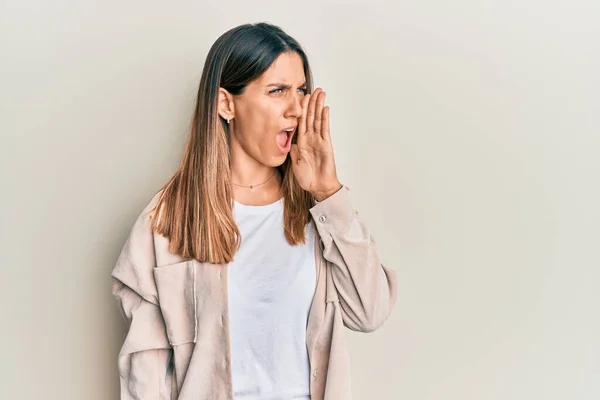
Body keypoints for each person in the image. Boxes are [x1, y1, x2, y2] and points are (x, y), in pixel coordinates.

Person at [111, 22, 398, 400]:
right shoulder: (167, 221)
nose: (296, 109)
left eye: (301, 90)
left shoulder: (319, 210)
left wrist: (328, 192)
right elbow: (145, 375)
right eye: (277, 91)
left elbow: (370, 311)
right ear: (227, 104)